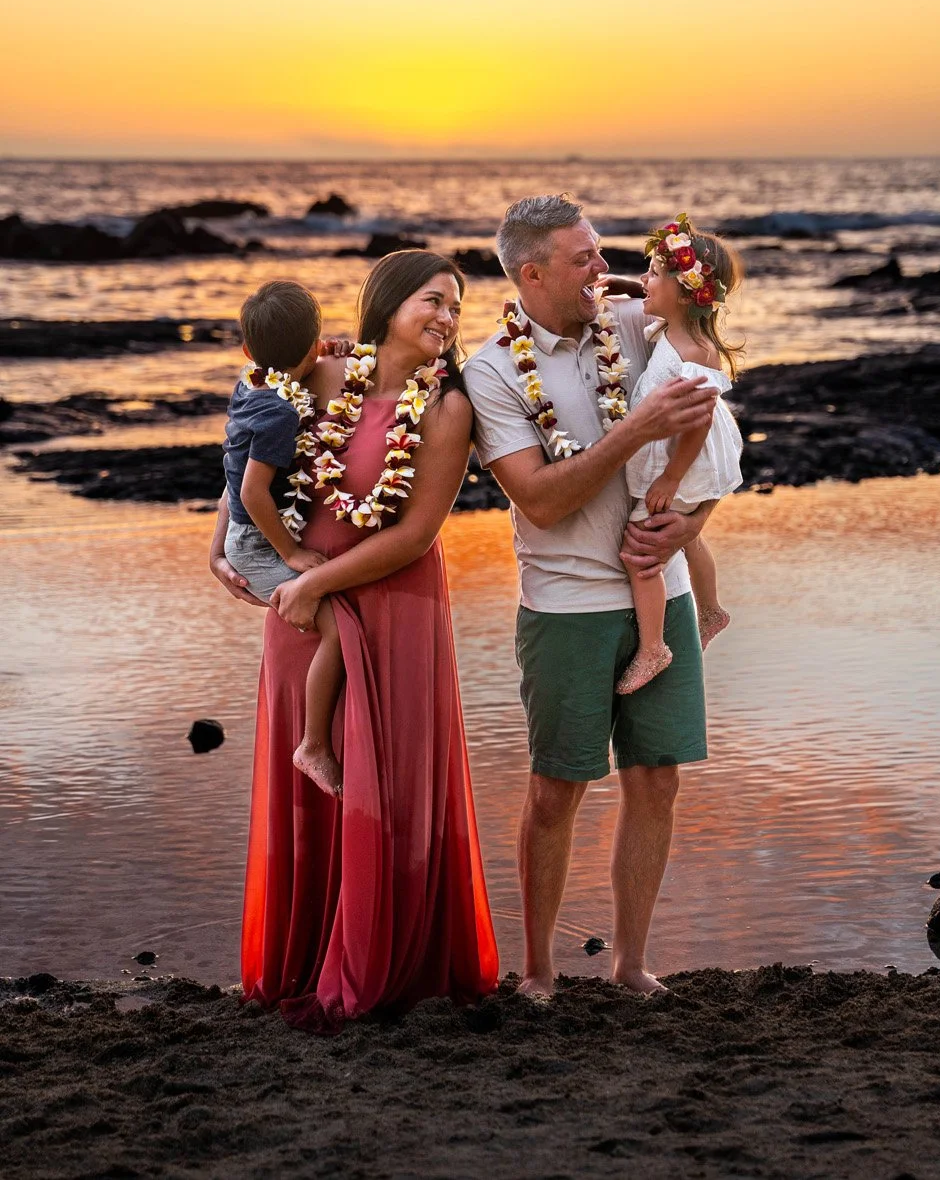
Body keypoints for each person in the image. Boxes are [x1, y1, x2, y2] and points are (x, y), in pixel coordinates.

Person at [210, 250, 499, 1030]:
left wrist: (315, 583)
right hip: (303, 611)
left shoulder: (445, 408)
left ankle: (380, 962)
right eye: (433, 301)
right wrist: (220, 545)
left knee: (386, 782)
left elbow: (415, 535)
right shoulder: (325, 376)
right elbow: (249, 452)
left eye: (455, 308)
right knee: (311, 784)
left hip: (391, 604)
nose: (446, 318)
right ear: (389, 302)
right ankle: (302, 957)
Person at [462, 194, 719, 999]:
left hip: (663, 594)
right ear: (532, 273)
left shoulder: (643, 327)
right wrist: (633, 431)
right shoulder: (492, 370)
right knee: (555, 790)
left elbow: (713, 437)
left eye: (603, 253)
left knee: (658, 779)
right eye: (584, 260)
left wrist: (690, 525)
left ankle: (632, 964)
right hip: (565, 607)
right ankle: (538, 971)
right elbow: (539, 500)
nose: (603, 272)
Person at [222, 280, 345, 796]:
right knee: (337, 627)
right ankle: (313, 744)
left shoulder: (249, 386)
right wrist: (291, 553)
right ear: (315, 348)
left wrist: (334, 350)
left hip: (241, 534)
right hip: (255, 541)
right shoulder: (281, 413)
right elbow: (252, 493)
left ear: (249, 351)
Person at [616, 214, 744, 695]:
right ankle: (710, 608)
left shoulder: (694, 352)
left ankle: (654, 647)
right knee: (685, 535)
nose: (644, 280)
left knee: (640, 551)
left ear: (688, 291)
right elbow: (656, 298)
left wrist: (669, 478)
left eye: (652, 272)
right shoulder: (674, 329)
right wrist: (635, 285)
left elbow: (698, 422)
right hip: (681, 462)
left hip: (683, 463)